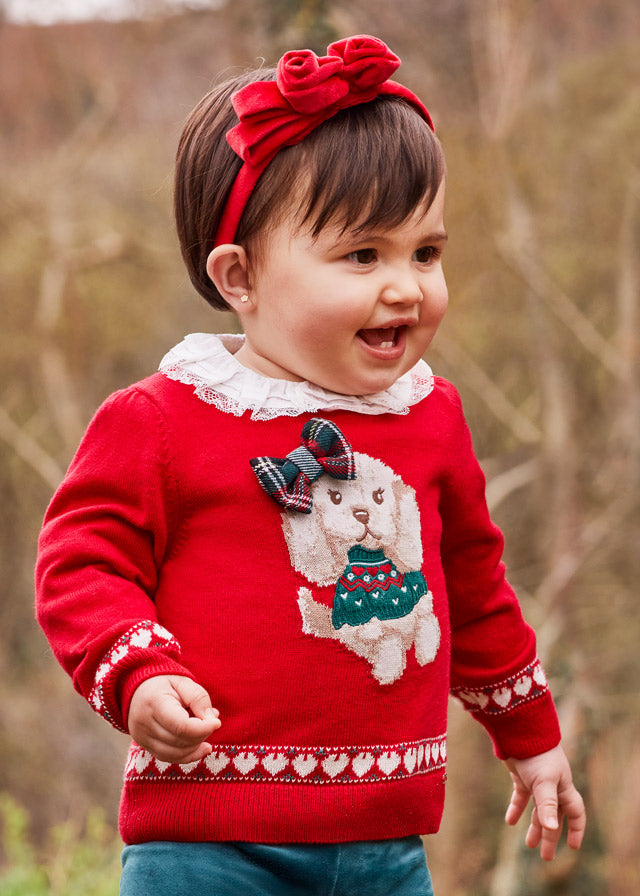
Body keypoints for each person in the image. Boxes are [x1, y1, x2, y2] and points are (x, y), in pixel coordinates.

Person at [35, 34, 585, 896]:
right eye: (364, 256)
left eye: (426, 253)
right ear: (240, 276)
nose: (406, 286)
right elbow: (81, 563)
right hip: (209, 845)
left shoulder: (431, 417)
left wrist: (532, 736)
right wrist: (138, 675)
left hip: (388, 847)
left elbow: (475, 589)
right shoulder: (164, 419)